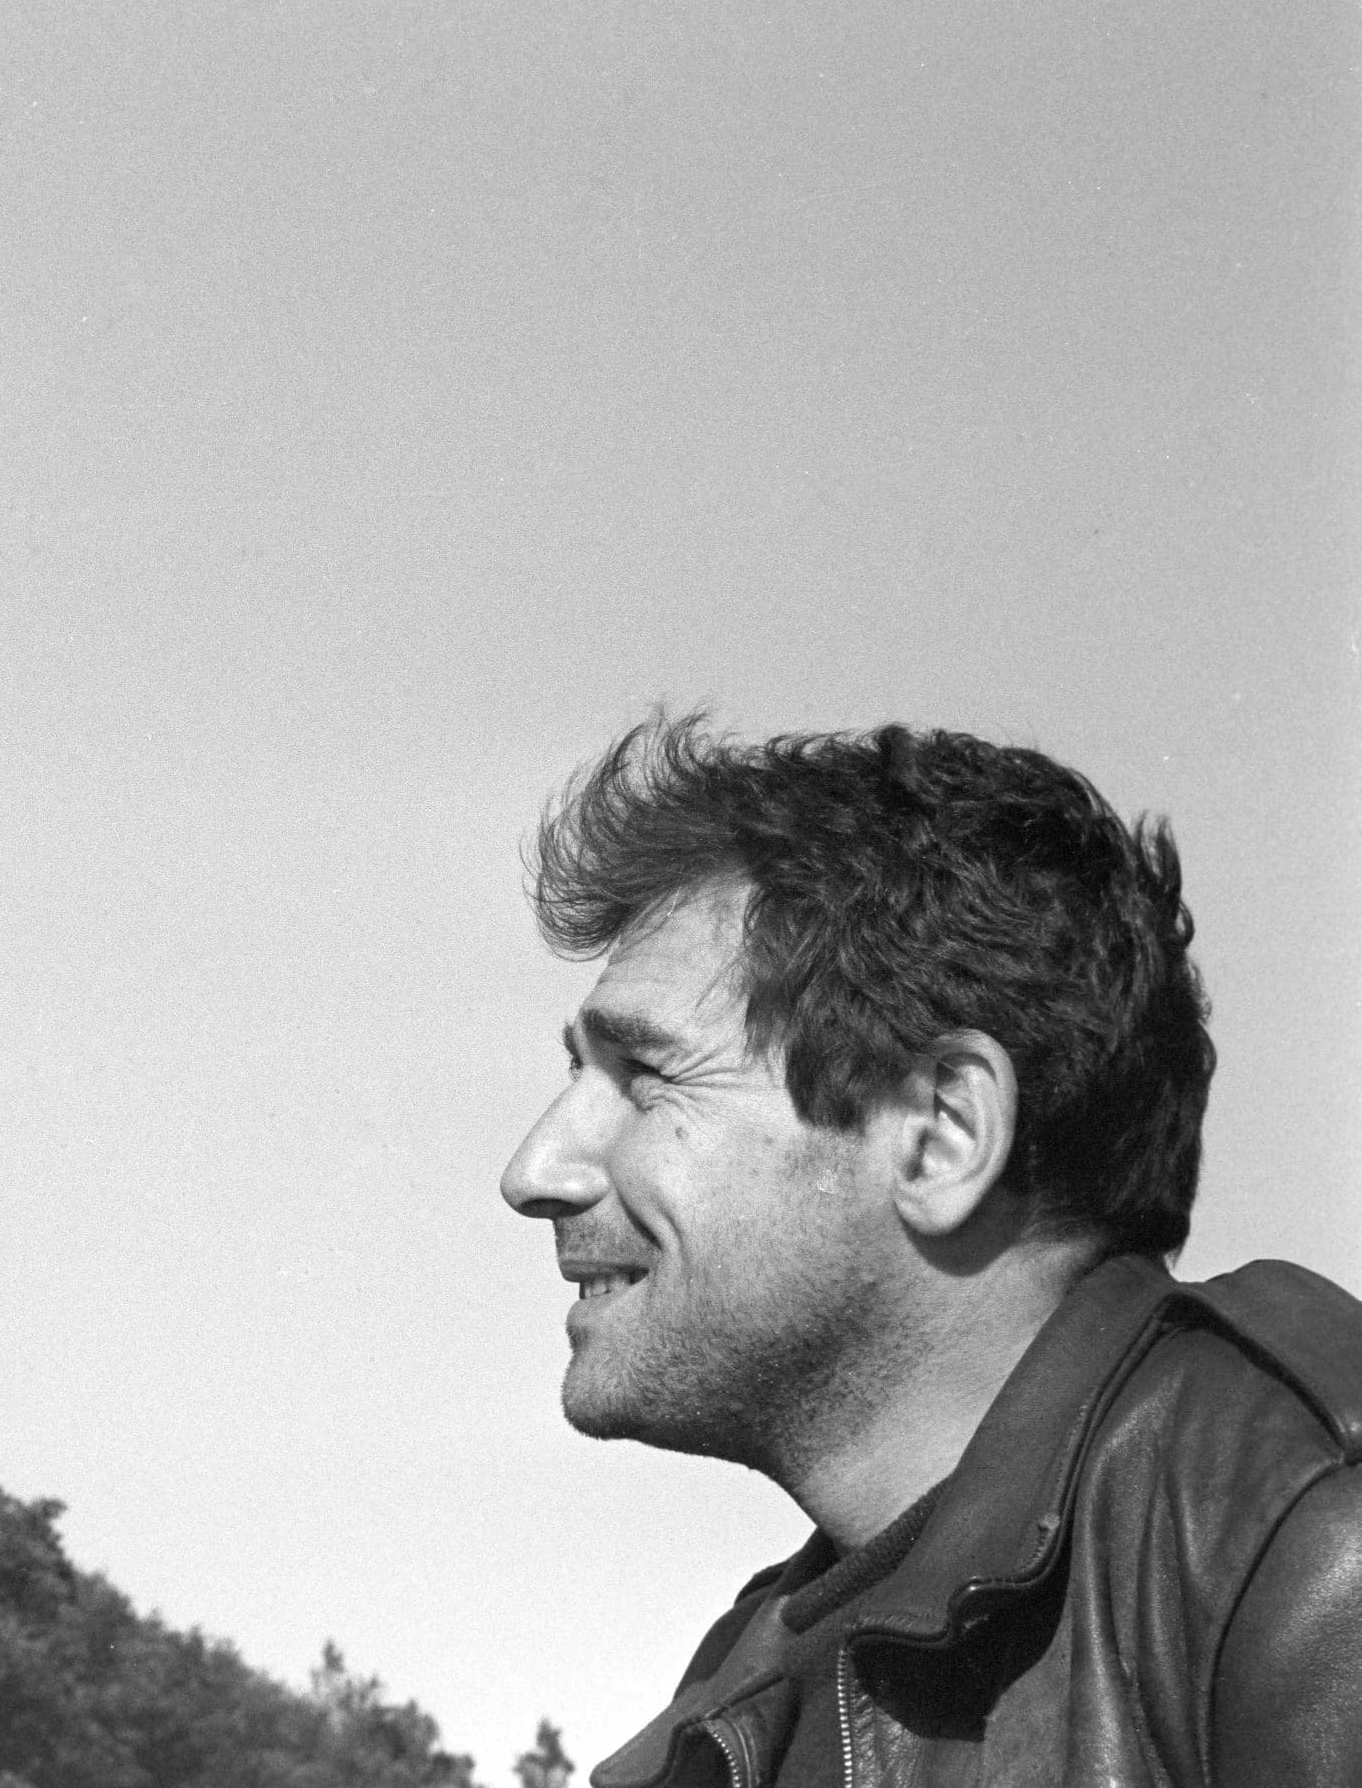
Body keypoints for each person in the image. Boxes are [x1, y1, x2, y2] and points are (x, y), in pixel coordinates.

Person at [501, 716, 1362, 1787]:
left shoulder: (1302, 1534)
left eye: (646, 1076)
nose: (537, 1169)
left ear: (941, 1134)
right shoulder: (733, 1703)